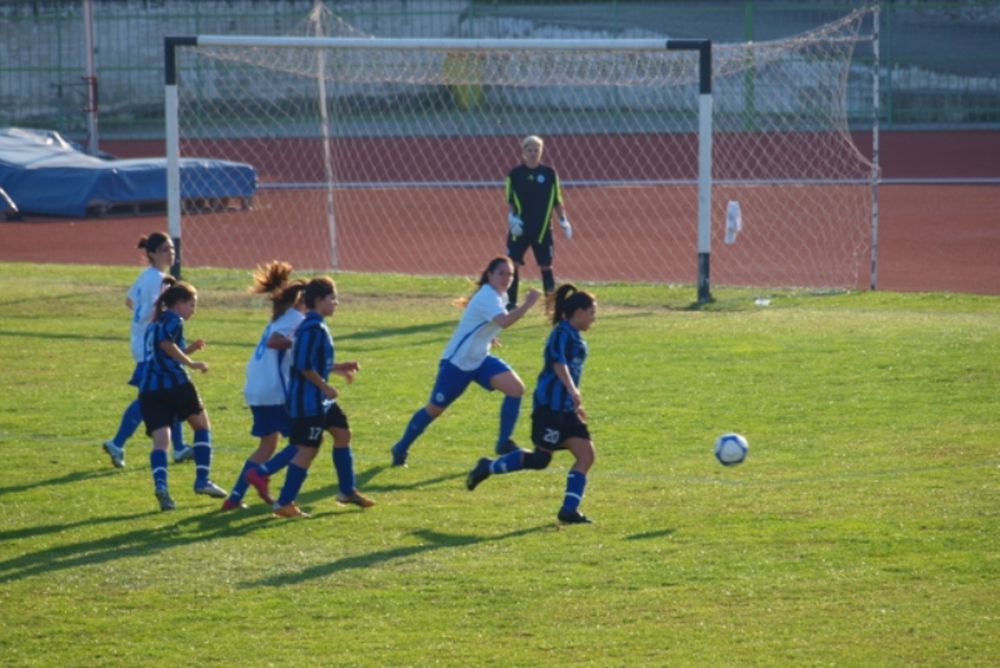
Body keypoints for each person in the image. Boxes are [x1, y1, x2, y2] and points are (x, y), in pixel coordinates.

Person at [465, 283, 597, 525]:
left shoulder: (577, 338)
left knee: (586, 454)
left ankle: (569, 510)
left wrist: (575, 401)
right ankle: (488, 467)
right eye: (592, 313)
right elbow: (559, 364)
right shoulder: (560, 334)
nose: (593, 319)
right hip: (549, 409)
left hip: (567, 409)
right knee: (540, 460)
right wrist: (571, 389)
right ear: (578, 312)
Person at [390, 255, 540, 468]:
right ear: (490, 275)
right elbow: (505, 321)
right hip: (457, 364)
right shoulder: (488, 295)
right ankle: (401, 447)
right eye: (501, 274)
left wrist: (489, 336)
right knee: (434, 409)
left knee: (516, 388)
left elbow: (487, 322)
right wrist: (528, 304)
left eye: (510, 275)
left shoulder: (499, 295)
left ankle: (503, 443)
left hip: (480, 360)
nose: (506, 278)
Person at [269, 276, 374, 518]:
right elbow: (304, 364)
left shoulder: (315, 325)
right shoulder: (312, 327)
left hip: (320, 400)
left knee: (342, 433)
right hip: (308, 401)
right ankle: (284, 502)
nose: (336, 303)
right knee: (307, 449)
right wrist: (325, 386)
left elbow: (315, 362)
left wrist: (338, 367)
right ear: (319, 300)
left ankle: (347, 490)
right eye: (332, 298)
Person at [221, 261, 306, 511]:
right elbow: (275, 342)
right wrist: (297, 343)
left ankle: (234, 498)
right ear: (302, 301)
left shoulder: (280, 317)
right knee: (305, 442)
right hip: (274, 392)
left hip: (257, 389)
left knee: (267, 445)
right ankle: (262, 474)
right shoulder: (296, 319)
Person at [102, 232, 192, 469]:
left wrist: (141, 324)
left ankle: (180, 448)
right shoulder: (158, 280)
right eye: (164, 249)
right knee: (151, 397)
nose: (170, 253)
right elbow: (153, 310)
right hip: (150, 346)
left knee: (167, 390)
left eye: (171, 248)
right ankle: (117, 442)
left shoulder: (147, 276)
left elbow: (129, 301)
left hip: (142, 342)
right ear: (151, 253)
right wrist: (159, 327)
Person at [138, 281, 227, 511]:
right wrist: (192, 363)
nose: (193, 310)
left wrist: (189, 350)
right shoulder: (174, 319)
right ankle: (202, 480)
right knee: (202, 426)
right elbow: (166, 344)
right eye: (191, 304)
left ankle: (162, 486)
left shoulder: (154, 323)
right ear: (178, 304)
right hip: (175, 383)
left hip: (148, 388)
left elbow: (165, 350)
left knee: (161, 441)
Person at [504, 135, 572, 312]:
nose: (533, 153)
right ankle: (510, 302)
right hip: (520, 228)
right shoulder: (515, 175)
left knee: (546, 266)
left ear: (541, 151)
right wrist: (512, 220)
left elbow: (557, 199)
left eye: (536, 150)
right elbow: (510, 201)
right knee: (513, 264)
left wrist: (563, 221)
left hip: (542, 229)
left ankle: (551, 305)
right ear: (523, 152)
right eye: (529, 150)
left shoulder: (549, 174)